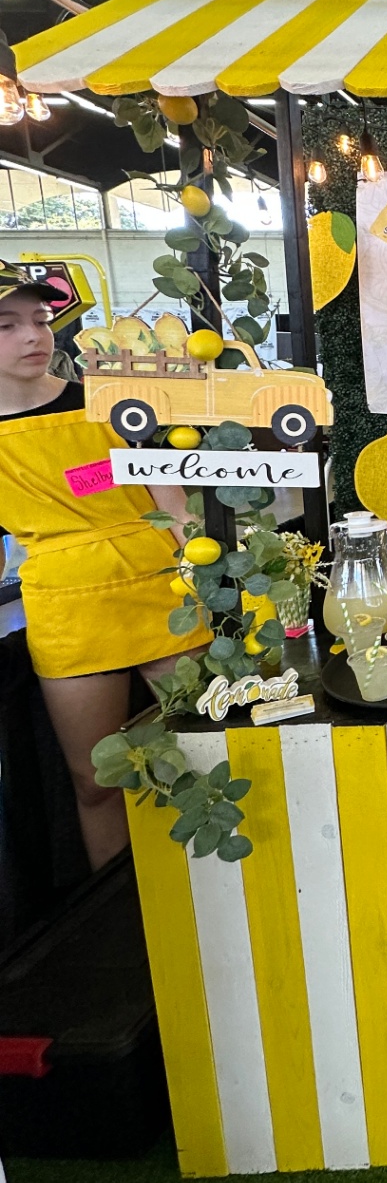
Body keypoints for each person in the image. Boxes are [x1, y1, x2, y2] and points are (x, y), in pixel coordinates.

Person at [0, 267, 209, 869]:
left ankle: (212, 895)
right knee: (98, 779)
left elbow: (171, 501)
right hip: (67, 608)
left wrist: (202, 574)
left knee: (198, 750)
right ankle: (126, 920)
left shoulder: (111, 401)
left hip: (162, 586)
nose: (33, 336)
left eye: (39, 321)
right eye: (6, 324)